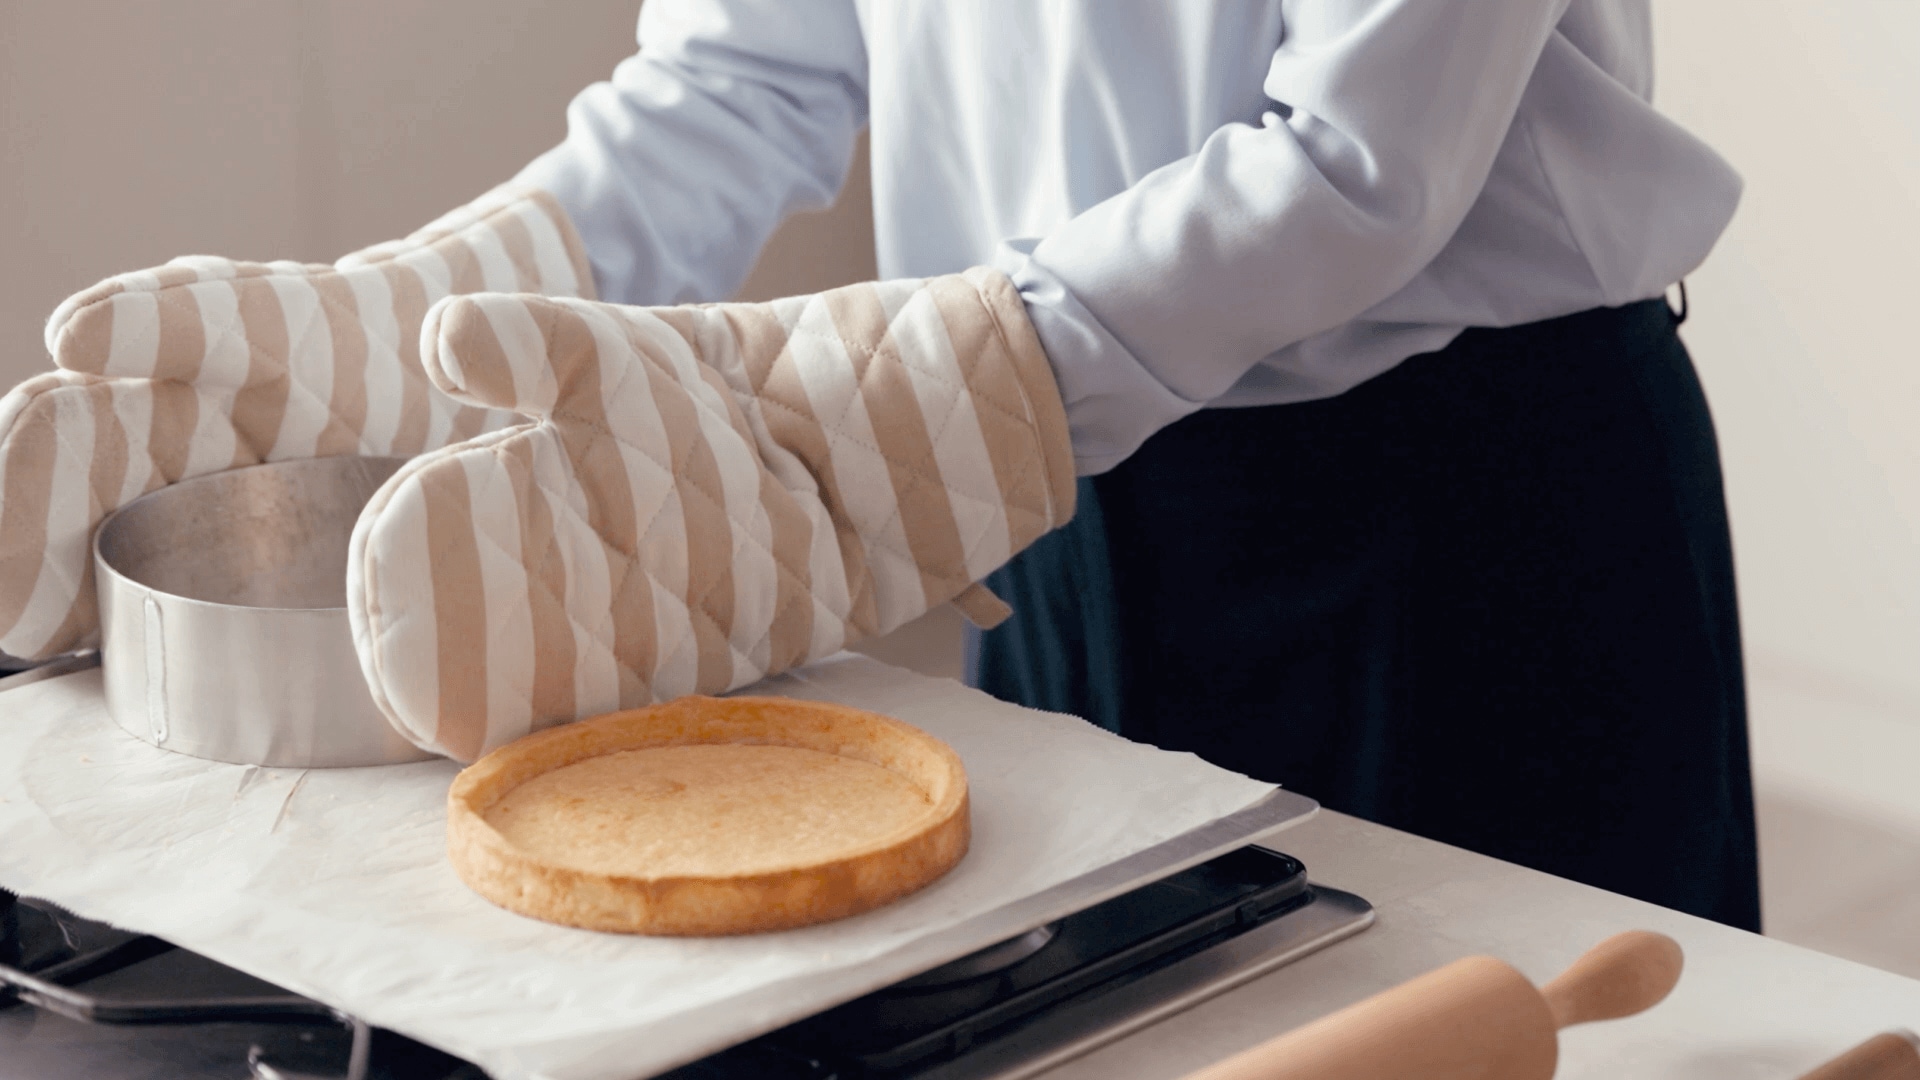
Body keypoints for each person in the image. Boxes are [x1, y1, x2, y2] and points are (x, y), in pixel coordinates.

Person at [4, 0, 1759, 929]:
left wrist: (891, 410)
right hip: (1036, 493)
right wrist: (417, 331)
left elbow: (1360, 161)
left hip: (1458, 517)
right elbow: (741, 77)